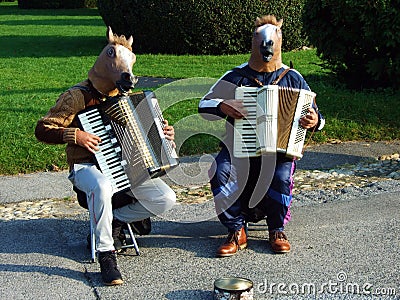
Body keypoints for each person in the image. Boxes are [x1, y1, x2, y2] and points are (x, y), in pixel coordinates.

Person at [35, 28, 176, 285]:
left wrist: (164, 133)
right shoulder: (77, 96)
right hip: (86, 167)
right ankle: (106, 254)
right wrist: (75, 136)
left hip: (128, 170)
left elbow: (149, 134)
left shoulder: (126, 98)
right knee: (102, 185)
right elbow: (43, 128)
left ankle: (114, 221)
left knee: (165, 197)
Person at [198, 15, 325, 257]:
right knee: (219, 170)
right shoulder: (236, 76)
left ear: (279, 41)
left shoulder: (293, 78)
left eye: (271, 41)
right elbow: (204, 105)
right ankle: (236, 229)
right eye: (261, 41)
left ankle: (277, 229)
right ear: (253, 42)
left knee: (280, 174)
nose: (266, 48)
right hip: (238, 147)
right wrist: (224, 106)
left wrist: (315, 121)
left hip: (279, 151)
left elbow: (317, 115)